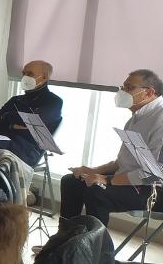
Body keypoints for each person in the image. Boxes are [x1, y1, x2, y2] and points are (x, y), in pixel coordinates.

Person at [61, 69, 163, 227]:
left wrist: (106, 179)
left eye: (129, 88)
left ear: (148, 92)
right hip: (133, 179)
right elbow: (121, 162)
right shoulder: (135, 119)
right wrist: (92, 170)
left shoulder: (160, 119)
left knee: (97, 192)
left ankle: (96, 250)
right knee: (72, 181)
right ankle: (65, 242)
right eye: (122, 87)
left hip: (154, 189)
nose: (122, 92)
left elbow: (154, 173)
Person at [0, 60, 63, 167]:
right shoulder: (16, 100)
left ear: (44, 77)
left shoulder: (54, 102)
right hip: (5, 142)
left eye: (30, 74)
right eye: (23, 73)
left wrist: (6, 116)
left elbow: (35, 122)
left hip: (28, 151)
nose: (25, 77)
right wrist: (13, 125)